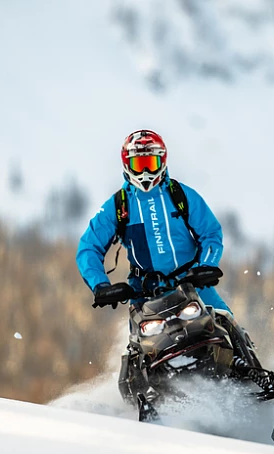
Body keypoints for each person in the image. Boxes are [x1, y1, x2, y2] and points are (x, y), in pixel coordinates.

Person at [75, 129, 259, 365]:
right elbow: (89, 247)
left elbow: (211, 233)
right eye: (138, 164)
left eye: (150, 163)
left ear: (162, 161)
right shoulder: (118, 206)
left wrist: (207, 266)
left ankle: (255, 373)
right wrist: (100, 285)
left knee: (226, 323)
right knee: (140, 351)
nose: (144, 171)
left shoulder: (180, 195)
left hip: (192, 285)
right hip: (145, 294)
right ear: (126, 164)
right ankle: (143, 390)